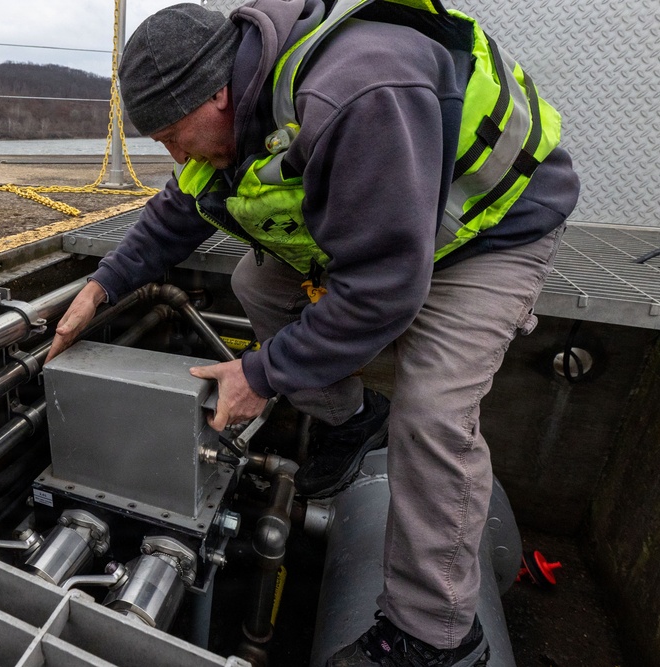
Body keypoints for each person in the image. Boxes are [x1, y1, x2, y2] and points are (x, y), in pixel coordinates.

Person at [47, 0, 579, 665]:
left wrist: (260, 374)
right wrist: (99, 289)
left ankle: (435, 635)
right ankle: (351, 421)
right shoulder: (233, 115)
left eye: (172, 134)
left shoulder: (359, 92)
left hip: (491, 230)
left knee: (432, 414)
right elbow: (174, 214)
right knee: (254, 283)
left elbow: (386, 288)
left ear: (217, 93)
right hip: (400, 222)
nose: (172, 152)